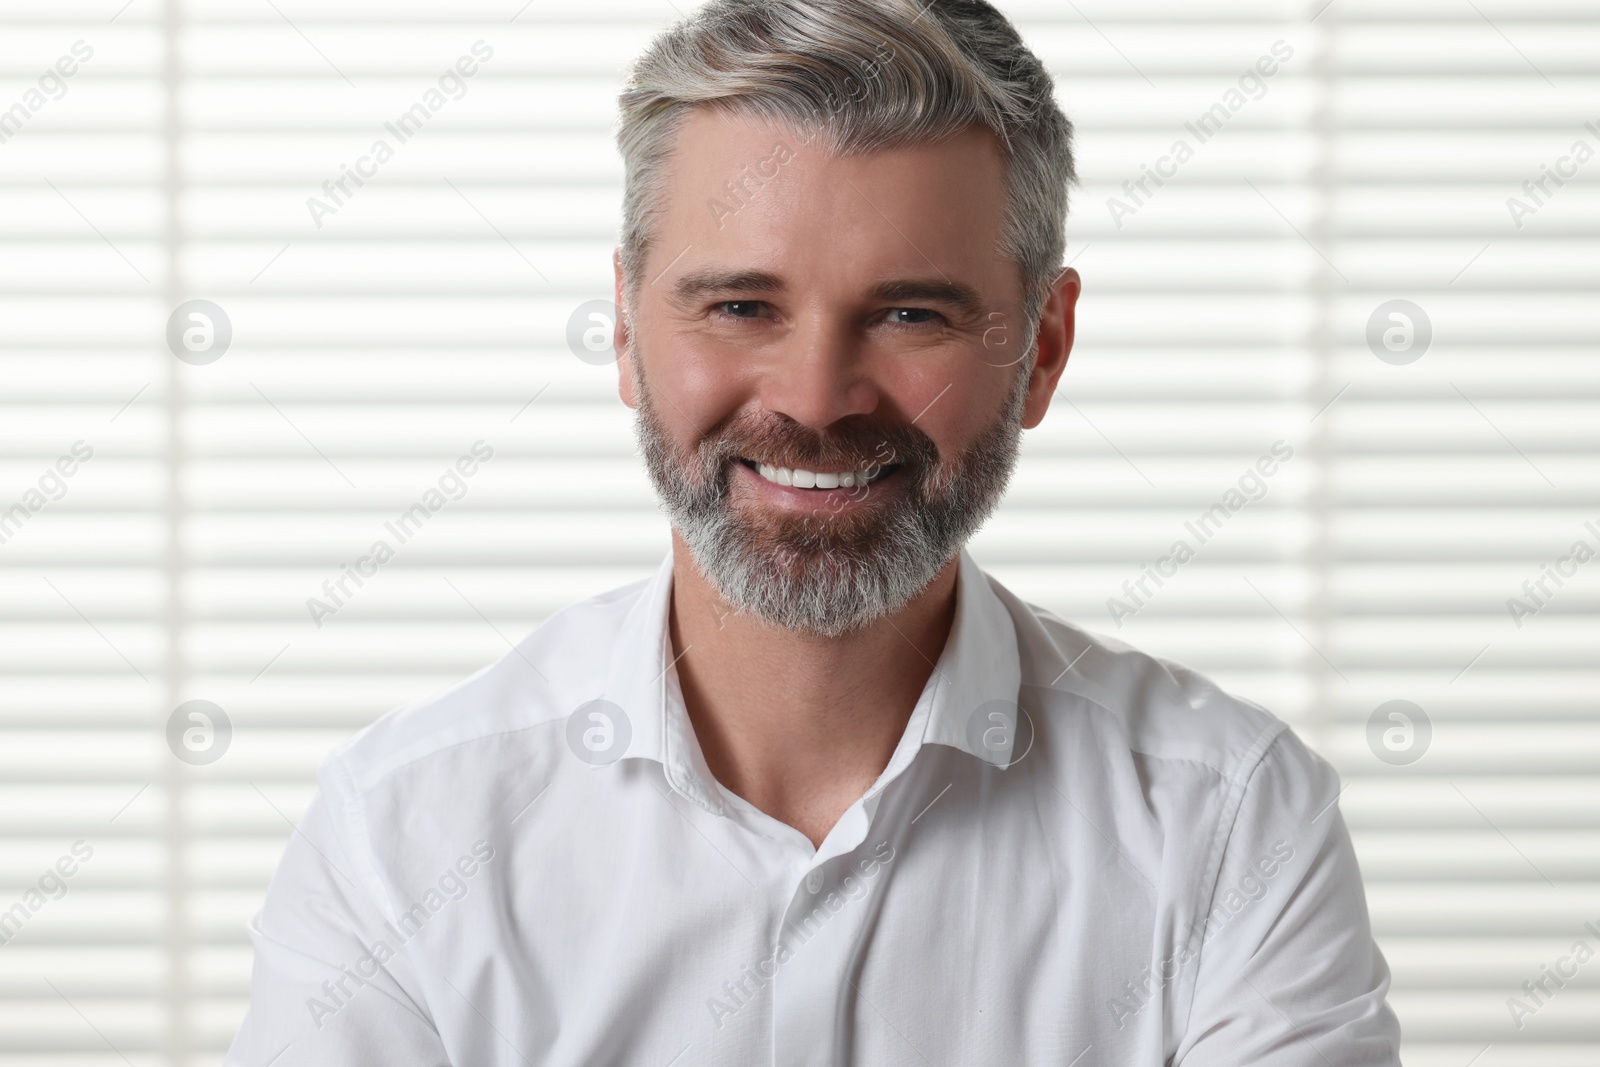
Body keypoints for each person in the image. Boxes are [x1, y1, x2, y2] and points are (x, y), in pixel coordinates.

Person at [226, 1, 1402, 1062]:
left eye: (908, 312)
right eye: (740, 304)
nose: (815, 395)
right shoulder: (403, 835)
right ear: (629, 332)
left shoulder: (1232, 825)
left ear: (1040, 347)